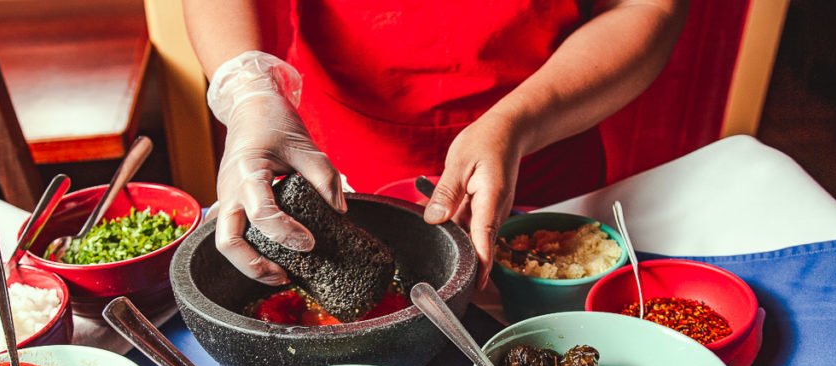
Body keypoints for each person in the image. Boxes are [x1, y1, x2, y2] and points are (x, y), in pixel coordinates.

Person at [183, 0, 689, 288]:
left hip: (539, 143)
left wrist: (515, 121)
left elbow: (647, 8)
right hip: (334, 149)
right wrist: (249, 93)